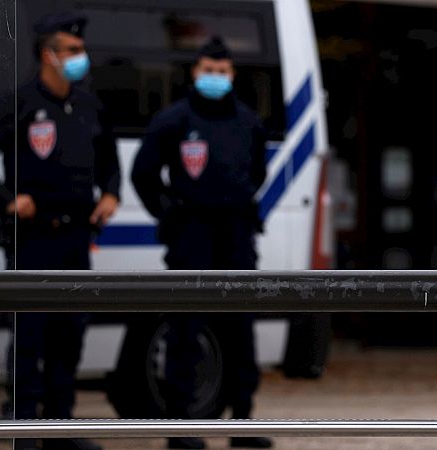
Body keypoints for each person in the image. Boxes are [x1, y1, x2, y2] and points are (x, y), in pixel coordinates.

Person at [0, 11, 120, 450]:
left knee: (69, 336)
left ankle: (62, 428)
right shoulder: (18, 102)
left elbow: (110, 165)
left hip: (76, 239)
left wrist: (111, 195)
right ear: (48, 55)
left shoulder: (89, 105)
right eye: (72, 50)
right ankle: (23, 429)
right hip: (31, 238)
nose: (81, 58)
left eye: (81, 50)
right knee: (29, 337)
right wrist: (6, 197)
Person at [131, 36, 272, 449]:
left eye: (223, 72)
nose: (215, 78)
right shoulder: (173, 120)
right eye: (208, 71)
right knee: (186, 329)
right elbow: (144, 175)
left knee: (240, 329)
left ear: (233, 75)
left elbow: (257, 173)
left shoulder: (248, 121)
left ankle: (243, 421)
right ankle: (182, 425)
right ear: (195, 72)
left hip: (236, 235)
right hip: (191, 235)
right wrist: (169, 214)